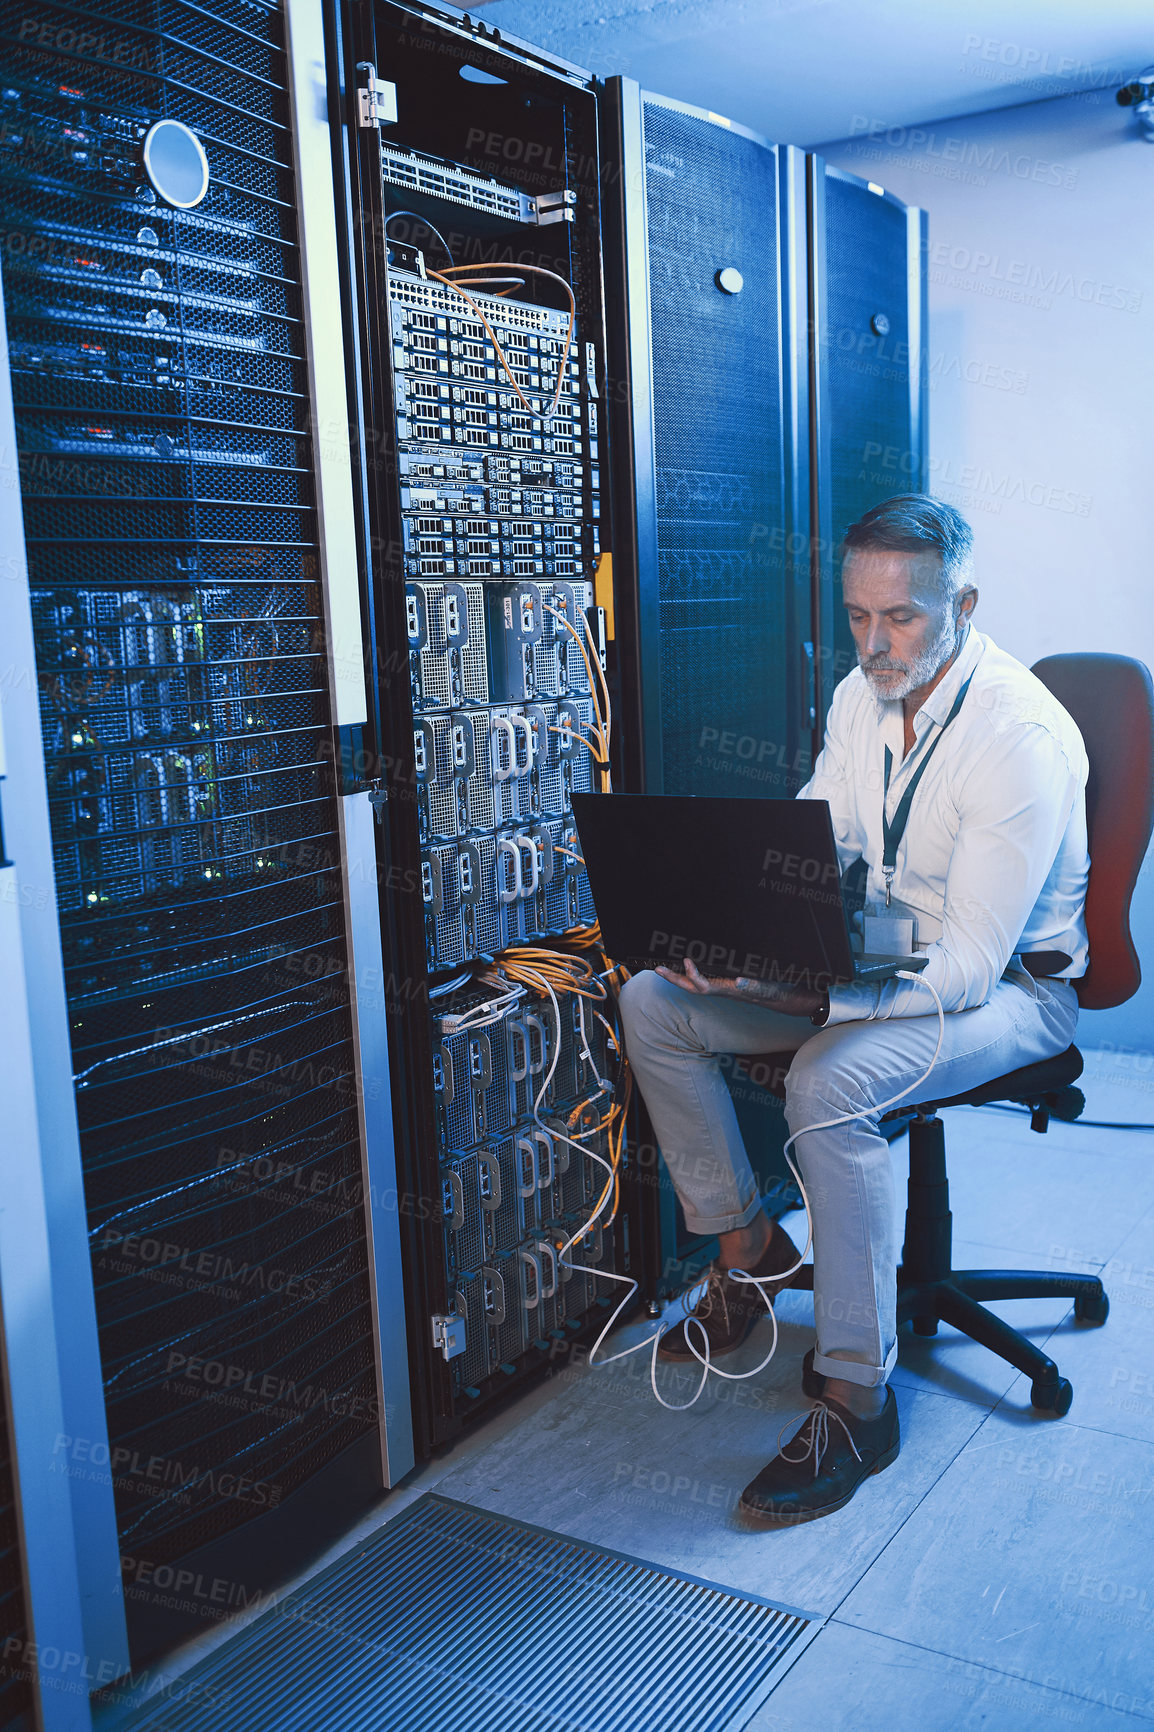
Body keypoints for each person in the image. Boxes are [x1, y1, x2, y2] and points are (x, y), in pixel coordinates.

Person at [617, 494, 1090, 1525]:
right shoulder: (855, 696)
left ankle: (853, 1396)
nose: (874, 643)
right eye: (857, 615)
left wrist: (803, 992)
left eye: (902, 618)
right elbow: (803, 852)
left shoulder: (1017, 737)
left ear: (960, 603)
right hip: (870, 959)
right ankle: (747, 1253)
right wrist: (735, 934)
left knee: (830, 1079)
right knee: (651, 1002)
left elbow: (968, 965)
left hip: (1008, 992)